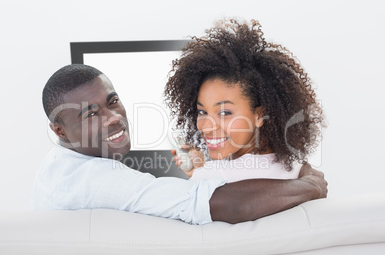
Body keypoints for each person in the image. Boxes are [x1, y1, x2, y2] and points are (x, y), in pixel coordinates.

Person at [30, 64, 327, 225]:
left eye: (113, 102)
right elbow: (222, 203)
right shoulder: (97, 180)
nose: (113, 119)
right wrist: (310, 183)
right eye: (91, 114)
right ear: (60, 130)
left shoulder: (55, 168)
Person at [165, 19, 325, 184]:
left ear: (259, 115)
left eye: (224, 113)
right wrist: (202, 171)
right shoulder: (298, 170)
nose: (206, 127)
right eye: (202, 112)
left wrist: (202, 175)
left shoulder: (215, 176)